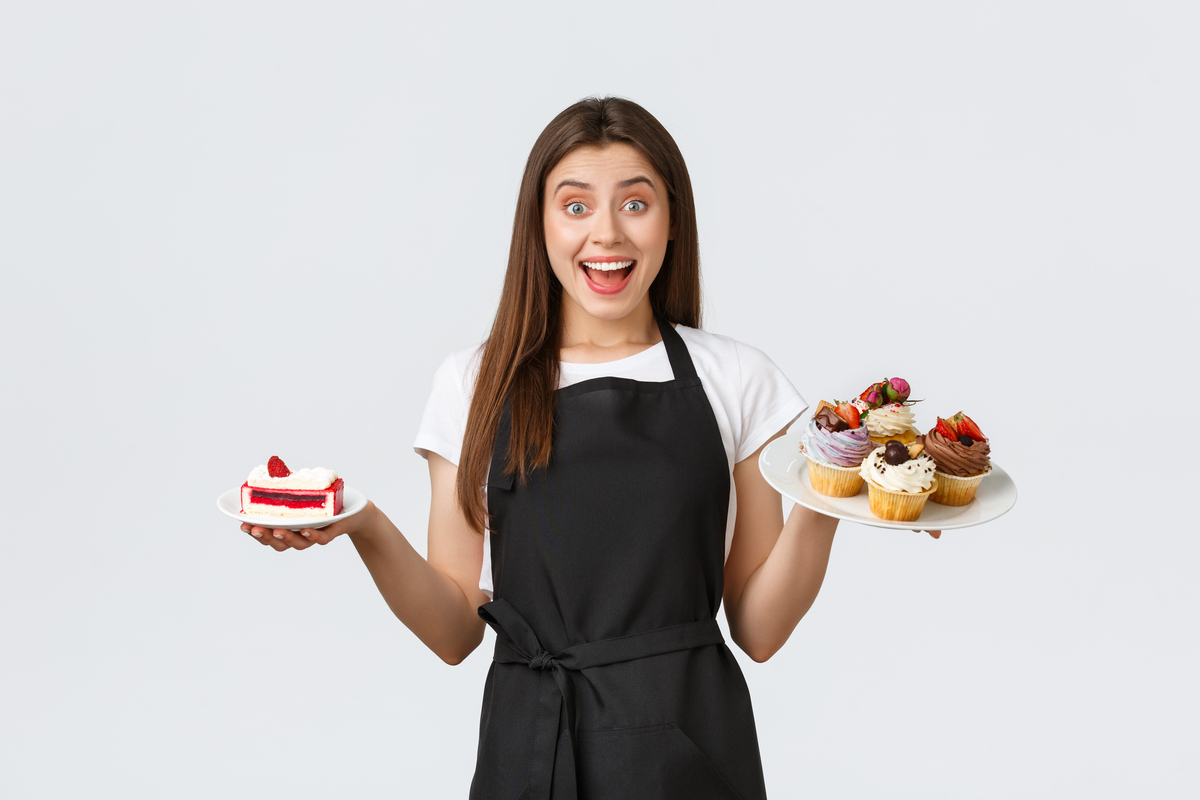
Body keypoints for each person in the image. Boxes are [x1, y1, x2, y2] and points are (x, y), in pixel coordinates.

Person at [240, 97, 930, 798]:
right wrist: (364, 525)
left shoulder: (737, 378)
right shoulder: (474, 384)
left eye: (635, 204)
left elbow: (758, 628)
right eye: (575, 206)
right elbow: (454, 632)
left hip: (691, 757)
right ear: (538, 224)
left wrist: (828, 495)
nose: (606, 233)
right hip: (531, 751)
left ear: (672, 220)